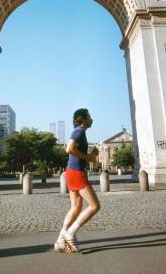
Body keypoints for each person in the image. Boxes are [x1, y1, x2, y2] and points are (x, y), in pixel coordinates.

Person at [54, 108, 100, 253]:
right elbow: (69, 149)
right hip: (76, 173)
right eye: (89, 116)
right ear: (83, 119)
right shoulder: (79, 131)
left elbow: (74, 151)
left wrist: (90, 155)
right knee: (94, 206)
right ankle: (70, 233)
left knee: (76, 208)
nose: (92, 119)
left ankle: (60, 241)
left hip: (72, 171)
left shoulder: (81, 132)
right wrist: (88, 158)